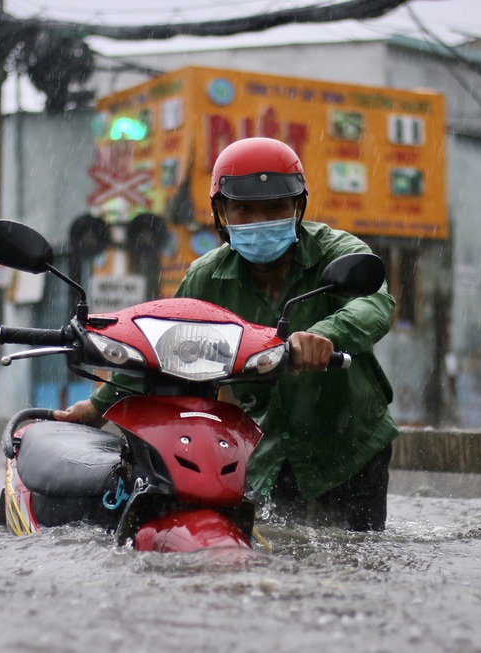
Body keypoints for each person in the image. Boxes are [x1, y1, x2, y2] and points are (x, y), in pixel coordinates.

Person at [55, 137, 399, 531]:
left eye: (275, 208)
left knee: (359, 561)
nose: (260, 221)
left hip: (351, 447)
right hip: (264, 454)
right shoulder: (205, 278)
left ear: (297, 208)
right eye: (244, 209)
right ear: (222, 213)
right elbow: (158, 348)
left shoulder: (337, 251)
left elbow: (373, 305)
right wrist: (98, 407)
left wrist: (322, 336)